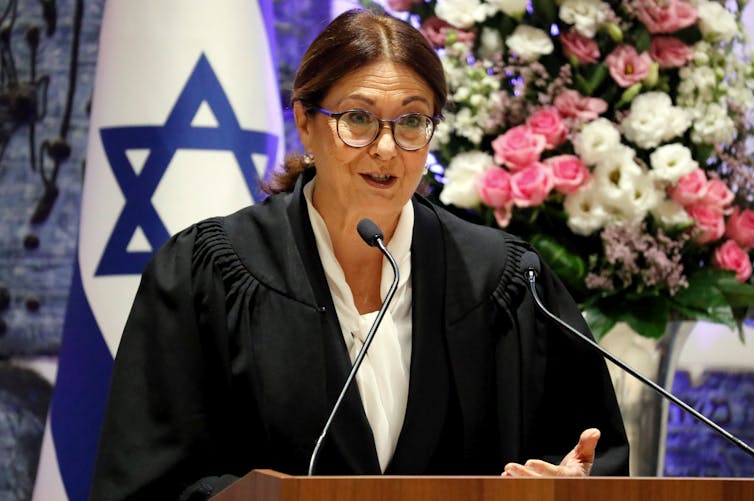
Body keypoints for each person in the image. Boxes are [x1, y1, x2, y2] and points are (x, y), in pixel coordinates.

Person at [89, 8, 629, 500]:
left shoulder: (507, 281)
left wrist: (569, 486)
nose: (387, 149)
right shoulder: (206, 275)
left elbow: (590, 458)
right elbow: (144, 484)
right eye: (359, 119)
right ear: (305, 121)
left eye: (413, 121)